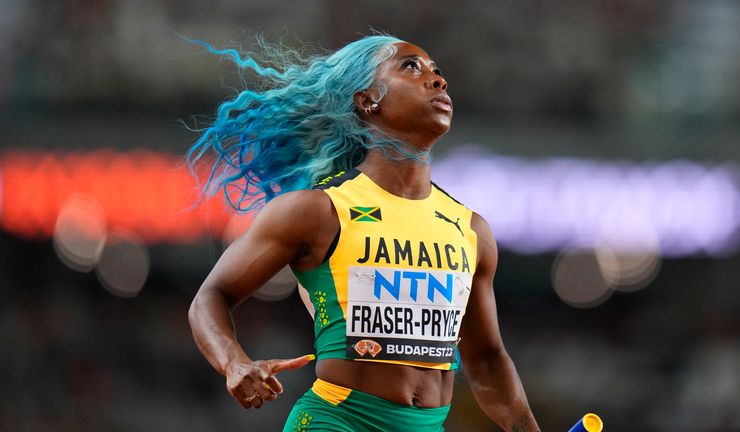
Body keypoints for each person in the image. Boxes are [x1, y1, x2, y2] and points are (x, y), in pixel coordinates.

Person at [186, 34, 540, 432]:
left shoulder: (471, 229)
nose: (438, 80)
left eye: (439, 72)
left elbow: (488, 358)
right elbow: (209, 298)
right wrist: (234, 362)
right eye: (412, 66)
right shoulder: (318, 211)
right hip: (337, 422)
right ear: (367, 99)